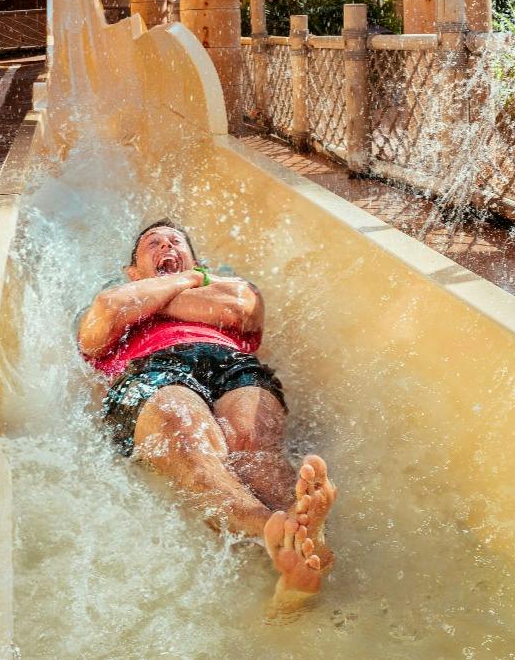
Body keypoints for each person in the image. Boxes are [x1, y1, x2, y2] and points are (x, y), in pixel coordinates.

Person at [77, 220, 339, 609]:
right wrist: (189, 284)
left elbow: (243, 306)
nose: (166, 245)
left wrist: (145, 301)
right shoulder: (115, 296)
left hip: (232, 363)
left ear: (198, 263)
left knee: (252, 439)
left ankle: (301, 543)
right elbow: (106, 313)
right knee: (187, 432)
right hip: (152, 368)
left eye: (175, 242)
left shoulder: (225, 285)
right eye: (154, 243)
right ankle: (270, 528)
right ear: (132, 273)